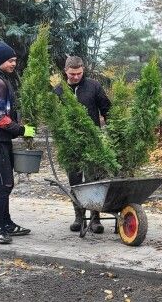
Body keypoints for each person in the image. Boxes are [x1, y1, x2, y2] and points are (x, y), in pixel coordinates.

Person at [0, 40, 35, 244]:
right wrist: (21, 129)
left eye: (15, 60)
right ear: (1, 61)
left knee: (6, 183)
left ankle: (7, 223)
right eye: (10, 60)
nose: (14, 64)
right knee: (3, 184)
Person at [53, 55, 111, 234]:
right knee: (75, 181)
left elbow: (107, 110)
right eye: (72, 74)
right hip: (70, 144)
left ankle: (95, 219)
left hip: (92, 141)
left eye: (79, 73)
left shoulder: (94, 86)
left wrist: (112, 132)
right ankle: (79, 217)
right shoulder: (59, 90)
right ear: (66, 71)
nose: (76, 76)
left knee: (94, 180)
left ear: (83, 70)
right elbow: (54, 116)